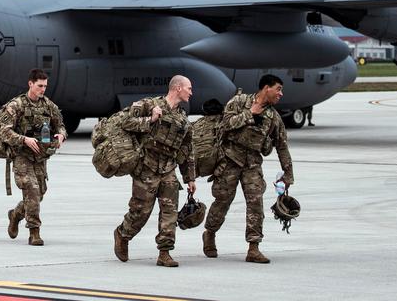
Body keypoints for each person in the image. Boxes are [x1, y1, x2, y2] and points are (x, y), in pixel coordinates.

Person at [203, 74, 295, 264]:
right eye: (278, 89)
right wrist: (249, 114)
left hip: (252, 164)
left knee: (255, 204)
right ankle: (210, 233)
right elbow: (224, 126)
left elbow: (282, 146)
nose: (281, 94)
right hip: (229, 160)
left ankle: (253, 247)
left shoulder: (273, 117)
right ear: (266, 88)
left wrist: (288, 174)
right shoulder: (239, 102)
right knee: (222, 201)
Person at [113, 75, 196, 267]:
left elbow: (187, 150)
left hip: (168, 168)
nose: (191, 92)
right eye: (188, 88)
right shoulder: (149, 105)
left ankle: (164, 253)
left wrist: (189, 178)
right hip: (147, 168)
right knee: (141, 211)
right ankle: (122, 234)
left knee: (170, 212)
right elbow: (124, 122)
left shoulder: (183, 119)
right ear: (177, 88)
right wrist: (150, 119)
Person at [0, 69, 67, 246]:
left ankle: (15, 214)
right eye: (39, 86)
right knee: (33, 190)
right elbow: (3, 130)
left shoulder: (48, 105)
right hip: (21, 156)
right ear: (30, 84)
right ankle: (34, 232)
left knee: (39, 194)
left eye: (45, 86)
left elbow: (61, 126)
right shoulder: (17, 105)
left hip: (40, 157)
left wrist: (60, 135)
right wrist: (23, 139)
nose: (43, 89)